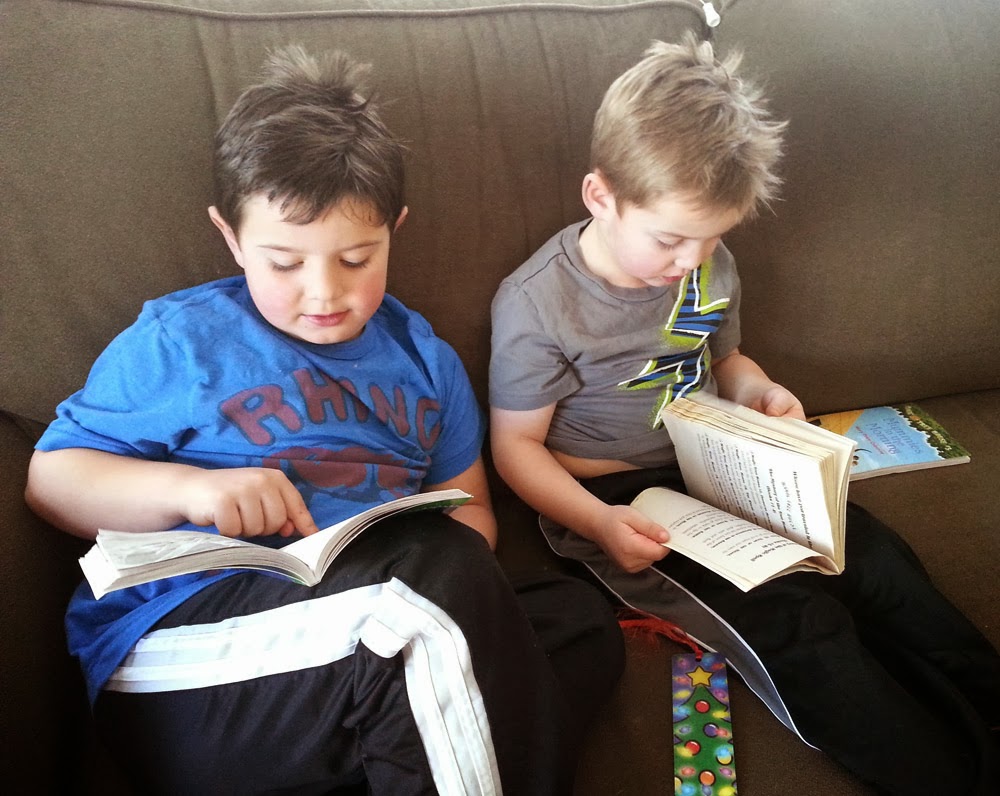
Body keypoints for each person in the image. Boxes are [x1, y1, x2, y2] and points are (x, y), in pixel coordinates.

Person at [24, 45, 624, 795]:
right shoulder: (184, 340)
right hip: (189, 654)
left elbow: (470, 515)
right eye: (285, 263)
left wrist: (429, 566)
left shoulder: (425, 361)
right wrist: (191, 491)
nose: (324, 293)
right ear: (231, 237)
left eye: (357, 259)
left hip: (366, 639)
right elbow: (52, 482)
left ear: (395, 229)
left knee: (576, 620)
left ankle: (397, 749)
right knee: (429, 593)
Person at [489, 34, 1000, 795]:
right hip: (616, 498)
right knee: (796, 627)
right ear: (600, 196)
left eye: (713, 238)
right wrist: (598, 524)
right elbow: (517, 447)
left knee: (876, 564)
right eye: (669, 239)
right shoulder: (538, 305)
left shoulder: (708, 265)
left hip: (723, 460)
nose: (690, 261)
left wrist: (759, 394)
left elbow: (726, 360)